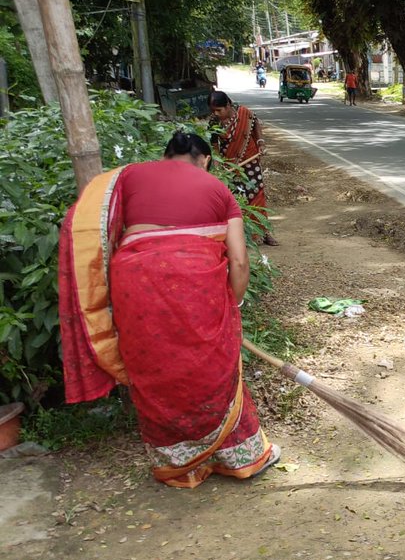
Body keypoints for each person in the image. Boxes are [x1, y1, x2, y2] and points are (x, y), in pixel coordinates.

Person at [58, 131, 276, 488]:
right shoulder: (218, 191)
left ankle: (177, 465)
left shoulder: (126, 177)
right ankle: (239, 456)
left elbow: (95, 230)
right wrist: (232, 304)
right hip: (196, 283)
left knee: (155, 367)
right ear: (205, 160)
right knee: (212, 370)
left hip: (135, 282)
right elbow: (238, 262)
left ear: (165, 156)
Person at [209, 90, 278, 246]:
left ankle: (264, 232)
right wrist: (219, 165)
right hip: (231, 166)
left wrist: (260, 142)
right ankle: (244, 236)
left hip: (251, 161)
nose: (216, 113)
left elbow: (255, 126)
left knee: (257, 196)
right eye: (213, 110)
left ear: (227, 105)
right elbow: (215, 147)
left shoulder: (244, 113)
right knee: (237, 200)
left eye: (219, 110)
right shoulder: (214, 122)